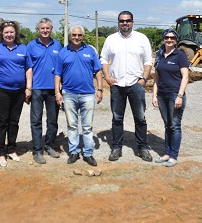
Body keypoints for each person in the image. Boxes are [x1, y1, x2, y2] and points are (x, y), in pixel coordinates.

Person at [100, 11, 153, 162]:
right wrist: (107, 77)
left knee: (140, 118)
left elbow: (148, 60)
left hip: (136, 84)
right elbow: (103, 59)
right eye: (122, 21)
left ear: (133, 22)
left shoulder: (141, 38)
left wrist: (143, 79)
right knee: (117, 118)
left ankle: (142, 148)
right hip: (117, 85)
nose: (125, 23)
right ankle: (116, 147)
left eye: (128, 20)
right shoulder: (111, 39)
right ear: (118, 22)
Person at [54, 26, 103, 166]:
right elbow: (57, 74)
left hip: (87, 94)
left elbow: (98, 71)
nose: (77, 37)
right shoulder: (63, 52)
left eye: (79, 35)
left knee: (87, 127)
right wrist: (57, 92)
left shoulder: (90, 51)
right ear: (70, 35)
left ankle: (88, 153)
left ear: (83, 36)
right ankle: (74, 151)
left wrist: (100, 89)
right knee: (72, 125)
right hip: (69, 94)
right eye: (74, 34)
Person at [0, 20, 32, 167]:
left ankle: (12, 149)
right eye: (6, 32)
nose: (9, 34)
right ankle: (0, 152)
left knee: (14, 121)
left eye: (12, 32)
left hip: (19, 91)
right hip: (0, 89)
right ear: (1, 33)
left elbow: (28, 68)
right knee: (2, 121)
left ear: (16, 33)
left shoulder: (23, 48)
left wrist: (28, 88)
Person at [26, 18, 62, 164]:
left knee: (52, 120)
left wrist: (60, 88)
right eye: (42, 28)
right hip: (37, 88)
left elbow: (61, 68)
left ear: (51, 29)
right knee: (36, 120)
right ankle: (37, 150)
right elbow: (28, 67)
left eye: (48, 28)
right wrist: (28, 87)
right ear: (38, 30)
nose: (45, 30)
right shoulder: (31, 46)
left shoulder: (58, 45)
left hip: (53, 89)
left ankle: (49, 145)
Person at [152, 29, 189, 168]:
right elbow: (156, 76)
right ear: (163, 39)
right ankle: (167, 153)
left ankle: (173, 156)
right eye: (167, 37)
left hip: (175, 94)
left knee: (175, 126)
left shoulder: (180, 55)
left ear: (176, 40)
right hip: (162, 94)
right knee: (167, 125)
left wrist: (180, 96)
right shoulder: (160, 54)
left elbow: (185, 76)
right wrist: (154, 95)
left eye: (172, 38)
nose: (169, 40)